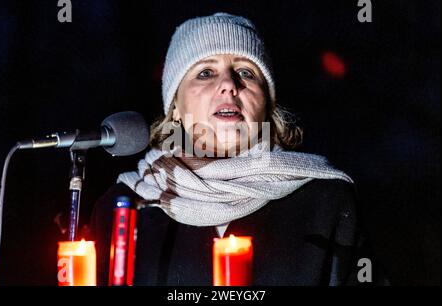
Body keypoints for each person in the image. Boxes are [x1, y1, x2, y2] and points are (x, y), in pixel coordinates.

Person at [91, 12, 383, 286]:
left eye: (246, 72)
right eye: (205, 73)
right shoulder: (122, 208)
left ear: (267, 103)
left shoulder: (325, 201)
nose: (229, 85)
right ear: (175, 107)